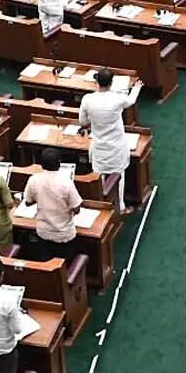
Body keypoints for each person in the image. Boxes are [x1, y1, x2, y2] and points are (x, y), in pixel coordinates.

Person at [80, 69, 134, 209]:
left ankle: (102, 206)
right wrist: (137, 88)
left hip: (99, 146)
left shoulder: (88, 99)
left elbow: (82, 121)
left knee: (100, 176)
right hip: (117, 147)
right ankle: (121, 206)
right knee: (119, 175)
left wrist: (93, 120)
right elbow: (131, 101)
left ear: (97, 82)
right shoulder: (118, 98)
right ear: (111, 83)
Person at [23, 149, 84, 256]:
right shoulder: (66, 182)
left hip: (43, 233)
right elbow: (76, 209)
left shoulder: (33, 179)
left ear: (41, 164)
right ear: (59, 163)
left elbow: (28, 202)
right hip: (64, 235)